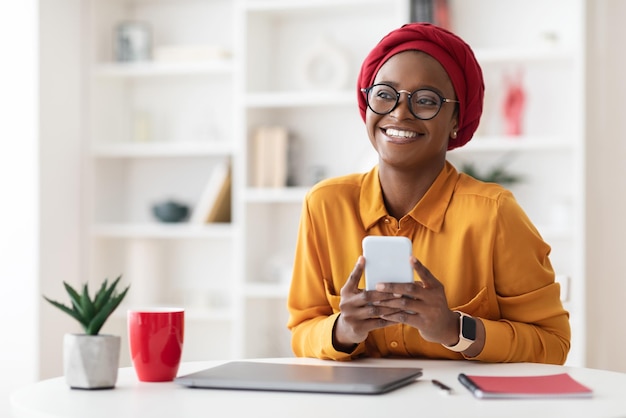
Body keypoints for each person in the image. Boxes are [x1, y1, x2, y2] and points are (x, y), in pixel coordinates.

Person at [286, 22, 571, 364]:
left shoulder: (494, 214)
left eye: (425, 100)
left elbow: (552, 345)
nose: (399, 112)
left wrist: (454, 329)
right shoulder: (325, 205)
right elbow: (302, 329)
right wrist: (344, 329)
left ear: (455, 119)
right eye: (384, 94)